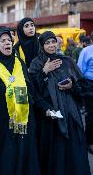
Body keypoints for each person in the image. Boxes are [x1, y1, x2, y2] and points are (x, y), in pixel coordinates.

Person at [29, 31, 91, 175]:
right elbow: (33, 90)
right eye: (47, 43)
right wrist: (44, 72)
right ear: (42, 45)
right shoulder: (37, 63)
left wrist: (71, 86)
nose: (51, 45)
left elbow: (81, 88)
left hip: (70, 114)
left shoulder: (67, 61)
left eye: (53, 42)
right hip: (50, 116)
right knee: (54, 153)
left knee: (73, 152)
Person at [0, 30, 40, 175]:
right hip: (2, 118)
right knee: (7, 153)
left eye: (9, 40)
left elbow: (30, 87)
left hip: (25, 116)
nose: (7, 42)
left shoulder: (19, 63)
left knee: (24, 149)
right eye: (3, 41)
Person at [78, 44, 93, 154]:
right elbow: (79, 70)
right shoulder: (86, 51)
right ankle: (90, 142)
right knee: (91, 114)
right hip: (89, 85)